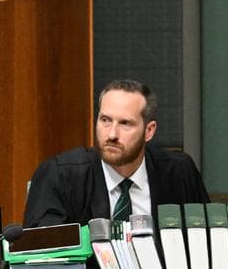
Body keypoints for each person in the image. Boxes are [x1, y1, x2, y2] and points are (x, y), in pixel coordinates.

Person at [23, 79, 210, 228]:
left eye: (125, 123)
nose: (112, 134)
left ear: (149, 131)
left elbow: (206, 242)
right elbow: (41, 253)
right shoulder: (60, 174)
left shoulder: (178, 172)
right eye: (105, 120)